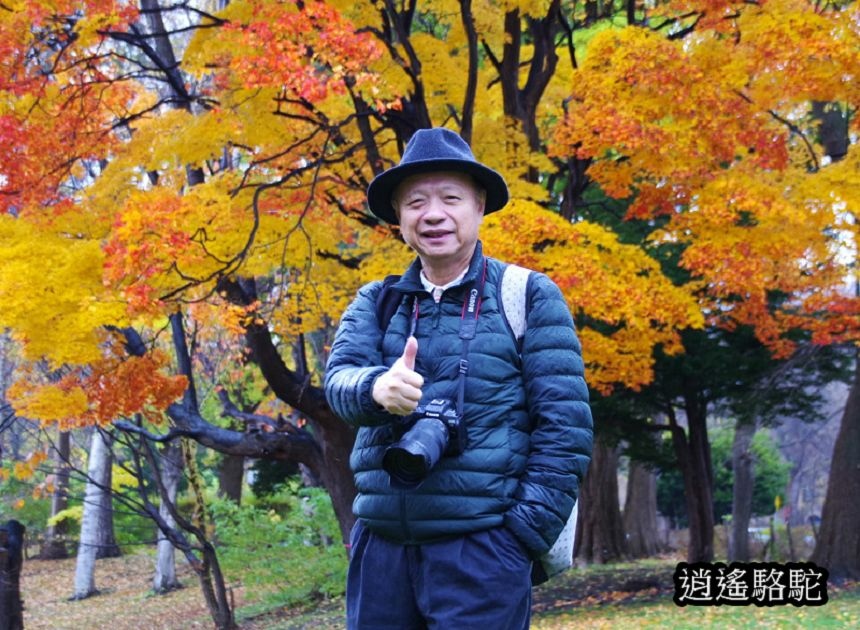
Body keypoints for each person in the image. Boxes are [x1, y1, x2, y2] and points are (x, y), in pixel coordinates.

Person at [324, 127, 593, 629]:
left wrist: (519, 539)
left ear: (479, 205)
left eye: (450, 198)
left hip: (484, 549)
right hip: (382, 549)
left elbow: (566, 430)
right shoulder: (377, 302)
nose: (433, 214)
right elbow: (338, 382)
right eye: (415, 202)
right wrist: (375, 388)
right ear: (400, 218)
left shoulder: (526, 296)